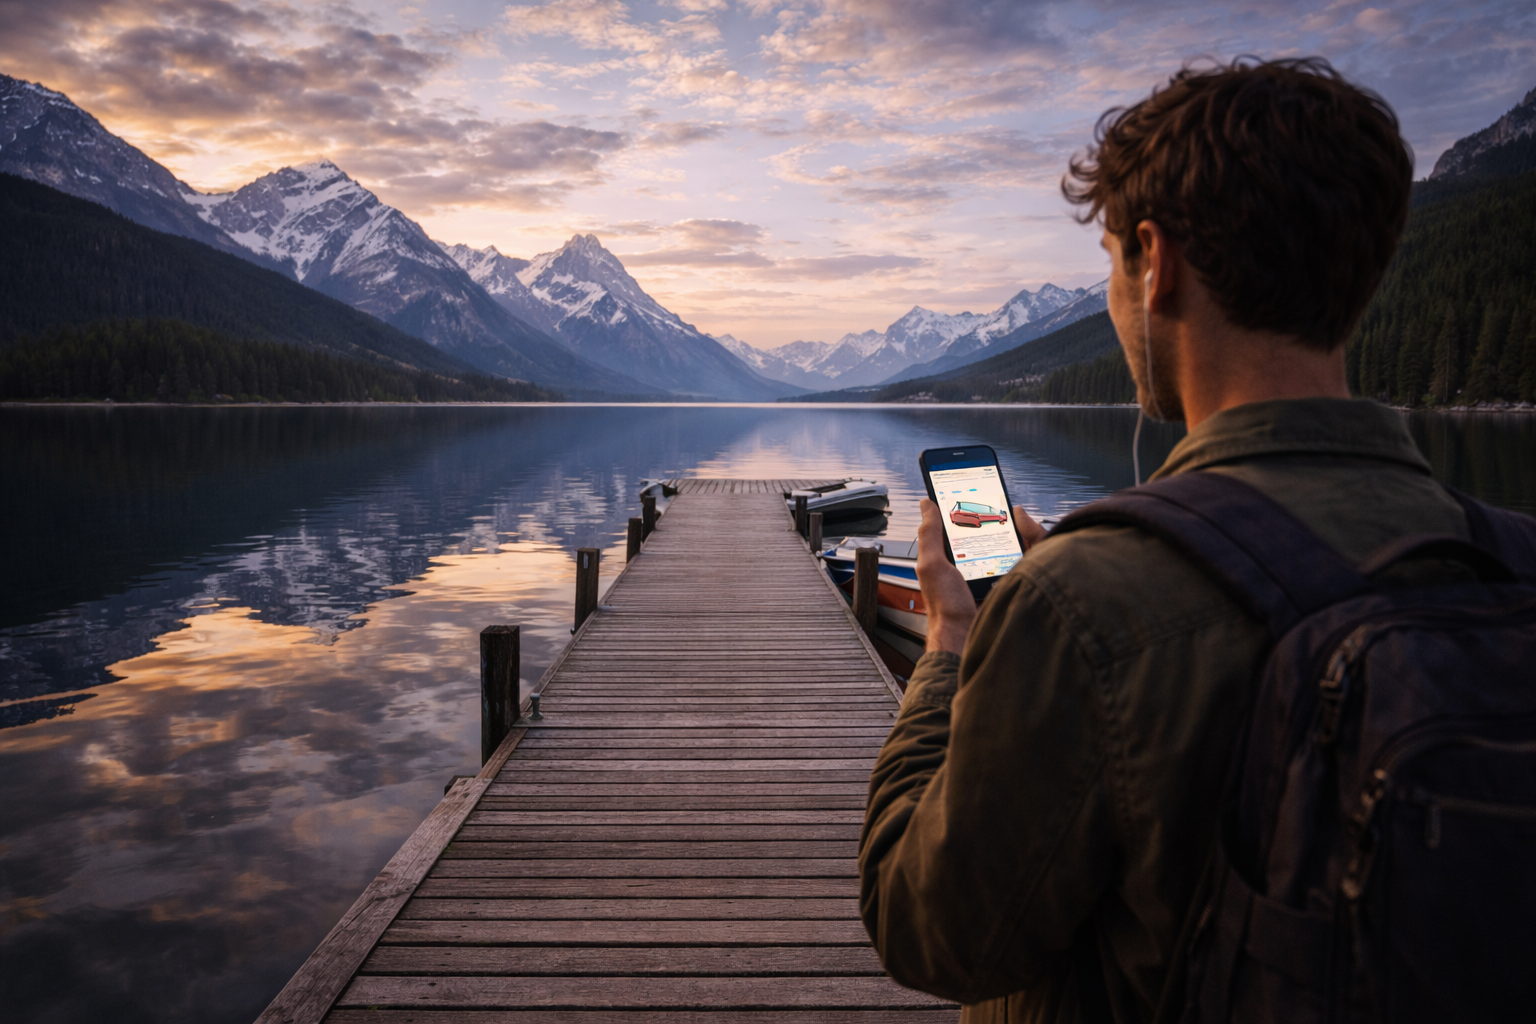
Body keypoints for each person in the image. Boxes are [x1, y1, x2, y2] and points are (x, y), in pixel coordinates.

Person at [858, 57, 1455, 1022]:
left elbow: (920, 923)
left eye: (1109, 262)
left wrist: (954, 642)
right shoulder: (1508, 560)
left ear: (1155, 261)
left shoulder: (1083, 606)